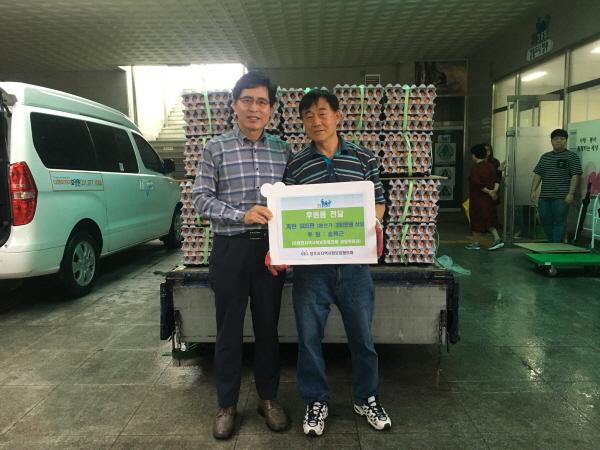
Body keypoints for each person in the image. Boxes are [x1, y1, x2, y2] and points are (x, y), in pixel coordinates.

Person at [283, 89, 391, 436]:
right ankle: (316, 400)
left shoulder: (363, 158)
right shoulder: (296, 164)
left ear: (338, 116)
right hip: (311, 270)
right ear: (302, 123)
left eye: (323, 113)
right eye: (308, 116)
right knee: (309, 339)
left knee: (362, 337)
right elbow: (286, 213)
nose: (316, 121)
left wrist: (364, 226)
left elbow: (379, 202)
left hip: (354, 267)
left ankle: (367, 397)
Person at [192, 72, 290, 440]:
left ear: (272, 109)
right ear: (234, 104)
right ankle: (226, 404)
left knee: (268, 327)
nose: (254, 108)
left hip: (270, 251)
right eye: (247, 100)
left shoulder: (283, 150)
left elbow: (294, 200)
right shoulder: (215, 148)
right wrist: (240, 214)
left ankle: (268, 399)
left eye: (262, 102)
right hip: (231, 248)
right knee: (228, 330)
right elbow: (201, 198)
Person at [530, 128, 582, 243]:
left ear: (566, 140)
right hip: (544, 196)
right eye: (556, 139)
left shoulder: (572, 156)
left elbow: (575, 176)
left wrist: (571, 194)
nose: (559, 141)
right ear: (551, 141)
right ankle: (552, 241)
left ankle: (555, 244)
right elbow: (538, 174)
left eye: (562, 139)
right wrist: (533, 190)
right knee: (544, 220)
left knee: (559, 221)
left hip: (561, 197)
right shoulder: (545, 157)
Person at [466, 144, 504, 251]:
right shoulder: (490, 166)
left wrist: (489, 192)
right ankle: (496, 238)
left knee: (475, 220)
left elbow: (477, 184)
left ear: (474, 155)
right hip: (490, 199)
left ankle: (477, 242)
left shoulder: (475, 169)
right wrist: (494, 191)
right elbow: (497, 179)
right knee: (489, 218)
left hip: (478, 199)